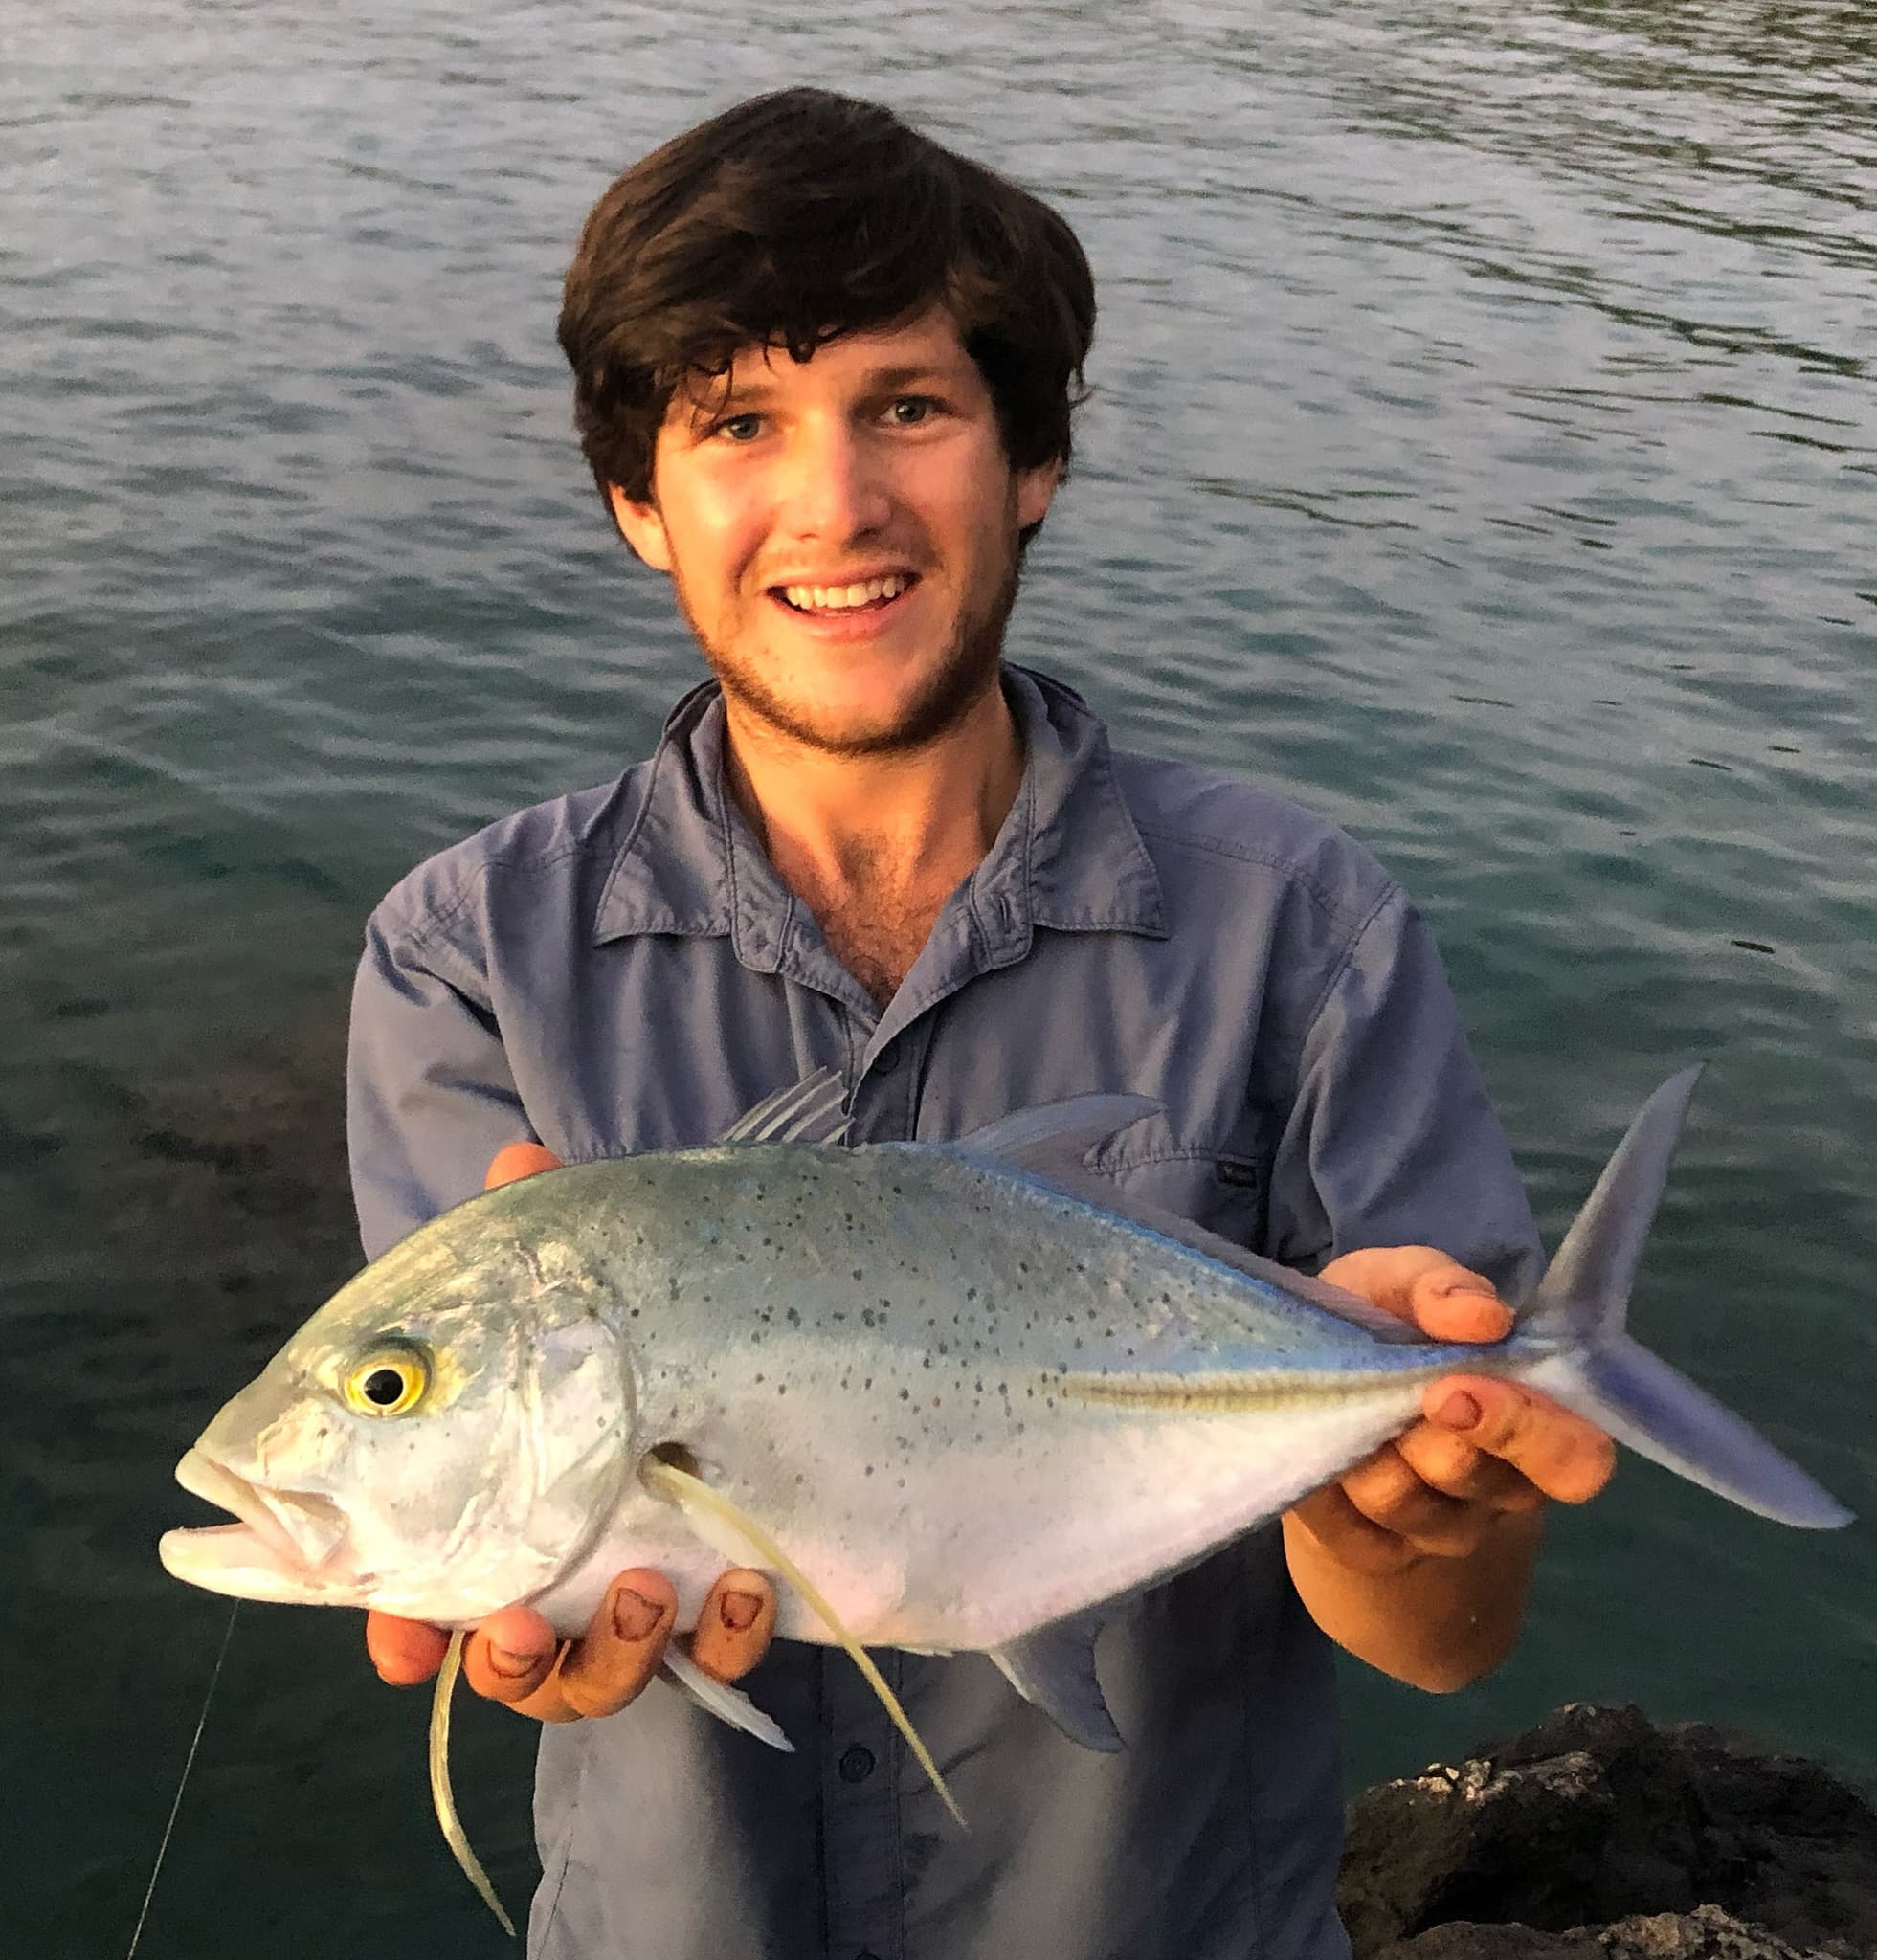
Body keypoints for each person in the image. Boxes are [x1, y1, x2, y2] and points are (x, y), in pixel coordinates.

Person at [349, 88, 1615, 1960]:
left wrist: (1394, 1500)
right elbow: (517, 1530)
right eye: (737, 426)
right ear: (640, 502)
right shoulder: (468, 960)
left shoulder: (1302, 927)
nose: (836, 504)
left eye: (910, 407)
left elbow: (1446, 1638)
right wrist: (514, 1605)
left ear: (1030, 459)